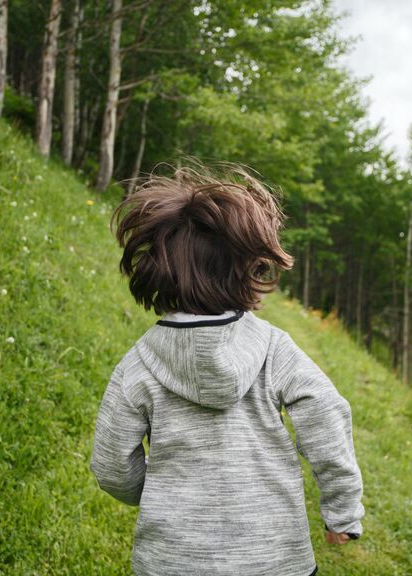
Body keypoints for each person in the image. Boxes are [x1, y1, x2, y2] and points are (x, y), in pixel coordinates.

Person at [91, 164, 364, 576]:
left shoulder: (139, 364)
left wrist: (156, 494)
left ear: (158, 268)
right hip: (275, 560)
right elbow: (325, 412)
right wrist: (342, 508)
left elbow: (111, 465)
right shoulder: (273, 348)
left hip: (172, 562)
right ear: (248, 269)